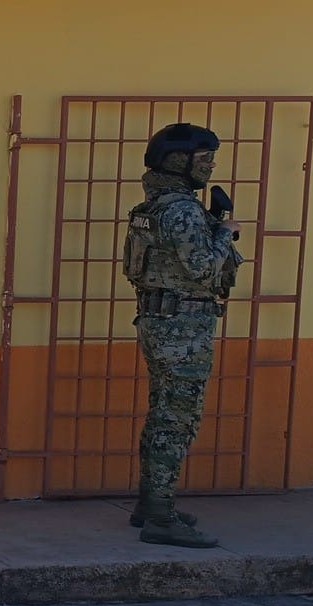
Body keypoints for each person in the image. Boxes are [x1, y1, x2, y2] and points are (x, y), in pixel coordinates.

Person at [121, 123, 242, 549]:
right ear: (178, 162)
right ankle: (159, 516)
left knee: (163, 414)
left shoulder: (150, 208)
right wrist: (224, 235)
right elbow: (205, 270)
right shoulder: (183, 212)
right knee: (178, 419)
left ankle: (151, 505)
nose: (209, 165)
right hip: (183, 327)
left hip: (158, 321)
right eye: (202, 158)